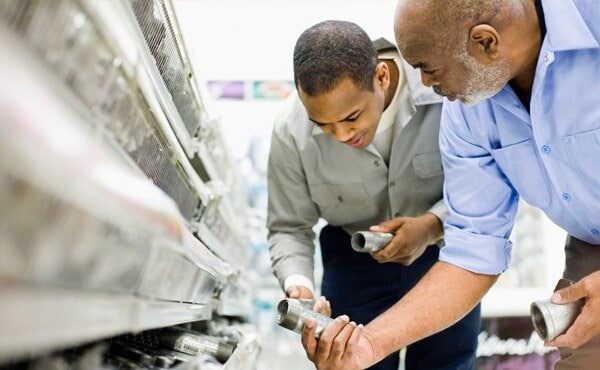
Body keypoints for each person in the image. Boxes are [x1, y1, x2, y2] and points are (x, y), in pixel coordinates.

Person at [300, 1, 600, 369]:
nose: (424, 84)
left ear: (485, 43)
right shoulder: (468, 110)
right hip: (591, 243)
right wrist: (369, 345)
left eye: (429, 68)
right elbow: (474, 249)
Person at [267, 20, 481, 370]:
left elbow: (486, 190)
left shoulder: (446, 92)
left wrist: (430, 227)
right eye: (322, 124)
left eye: (351, 117)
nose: (339, 134)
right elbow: (288, 226)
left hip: (444, 257)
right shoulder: (291, 130)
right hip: (352, 266)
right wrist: (298, 284)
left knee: (447, 365)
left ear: (382, 76)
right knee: (348, 363)